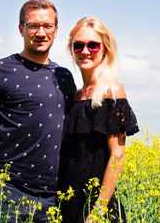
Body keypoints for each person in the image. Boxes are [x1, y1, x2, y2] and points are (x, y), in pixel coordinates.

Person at [0, 0, 76, 222]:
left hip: (55, 195)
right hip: (7, 192)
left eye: (48, 26)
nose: (41, 32)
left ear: (56, 30)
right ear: (20, 29)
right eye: (33, 25)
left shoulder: (65, 77)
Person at [57, 17, 139, 223]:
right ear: (71, 50)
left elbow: (117, 155)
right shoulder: (73, 97)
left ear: (106, 49)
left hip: (95, 206)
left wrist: (98, 211)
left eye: (93, 45)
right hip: (65, 201)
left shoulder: (112, 92)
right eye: (78, 45)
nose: (85, 51)